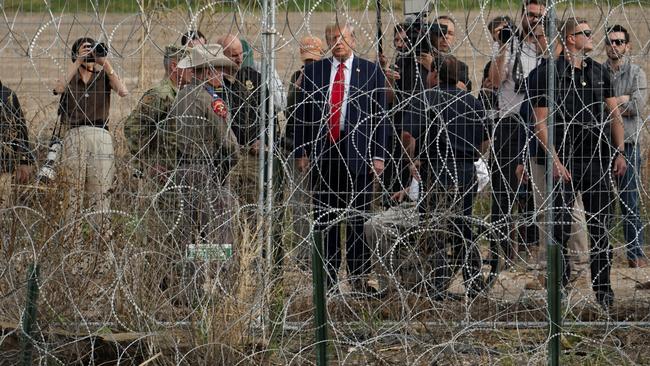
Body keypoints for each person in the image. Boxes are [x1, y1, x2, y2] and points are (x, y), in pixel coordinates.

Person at [529, 17, 627, 309]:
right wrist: (554, 160)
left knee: (600, 229)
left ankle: (604, 292)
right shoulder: (548, 74)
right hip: (564, 161)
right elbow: (541, 122)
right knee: (559, 229)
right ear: (570, 39)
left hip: (595, 159)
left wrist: (620, 151)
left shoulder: (598, 72)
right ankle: (559, 290)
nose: (591, 36)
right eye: (584, 33)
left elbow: (613, 115)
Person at [294, 23, 388, 294]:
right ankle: (329, 278)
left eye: (342, 38)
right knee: (326, 217)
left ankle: (359, 277)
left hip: (357, 150)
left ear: (353, 40)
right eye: (332, 38)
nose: (338, 43)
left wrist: (378, 155)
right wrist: (302, 150)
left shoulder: (370, 72)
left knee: (357, 217)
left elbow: (380, 116)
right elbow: (303, 114)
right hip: (326, 150)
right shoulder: (315, 71)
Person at [402, 55, 489, 299]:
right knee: (462, 225)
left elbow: (408, 135)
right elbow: (484, 141)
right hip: (465, 171)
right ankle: (473, 282)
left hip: (435, 169)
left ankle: (437, 285)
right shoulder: (472, 102)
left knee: (434, 227)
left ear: (435, 74)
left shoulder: (425, 99)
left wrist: (411, 160)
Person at [487, 0, 545, 265]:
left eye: (539, 16)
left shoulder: (544, 48)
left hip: (538, 123)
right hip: (509, 123)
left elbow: (555, 71)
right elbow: (495, 81)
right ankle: (500, 248)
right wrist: (502, 47)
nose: (533, 20)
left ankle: (533, 245)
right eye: (530, 15)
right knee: (503, 188)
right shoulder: (509, 46)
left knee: (535, 187)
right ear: (521, 15)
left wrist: (543, 37)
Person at [166, 45, 241, 252]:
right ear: (208, 72)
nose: (222, 75)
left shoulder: (180, 96)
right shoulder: (212, 101)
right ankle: (215, 278)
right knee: (217, 235)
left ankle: (192, 279)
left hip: (181, 172)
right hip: (208, 173)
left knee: (188, 235)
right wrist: (227, 167)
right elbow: (229, 144)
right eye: (218, 69)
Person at [53, 37, 128, 233]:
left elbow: (123, 91)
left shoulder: (104, 76)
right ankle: (72, 246)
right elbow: (58, 88)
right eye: (85, 50)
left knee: (101, 195)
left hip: (100, 134)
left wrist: (105, 62)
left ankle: (100, 248)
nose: (89, 54)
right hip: (73, 134)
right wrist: (77, 62)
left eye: (92, 49)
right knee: (72, 195)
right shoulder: (70, 77)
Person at [604, 24, 648, 268]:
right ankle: (602, 252)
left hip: (629, 145)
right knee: (602, 203)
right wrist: (623, 100)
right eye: (611, 41)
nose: (615, 46)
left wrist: (614, 103)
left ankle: (635, 253)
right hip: (602, 145)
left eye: (619, 42)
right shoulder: (598, 72)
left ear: (628, 46)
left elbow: (637, 106)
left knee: (629, 201)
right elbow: (593, 107)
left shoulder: (637, 74)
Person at [284, 36, 325, 268]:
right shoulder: (296, 79)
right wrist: (297, 90)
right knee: (300, 204)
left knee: (321, 203)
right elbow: (291, 113)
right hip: (296, 148)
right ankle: (302, 254)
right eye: (307, 61)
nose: (310, 65)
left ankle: (320, 252)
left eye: (313, 61)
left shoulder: (325, 78)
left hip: (321, 150)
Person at [0, 81, 33, 208]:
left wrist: (24, 161)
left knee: (2, 213)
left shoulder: (7, 95)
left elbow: (21, 130)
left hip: (4, 168)